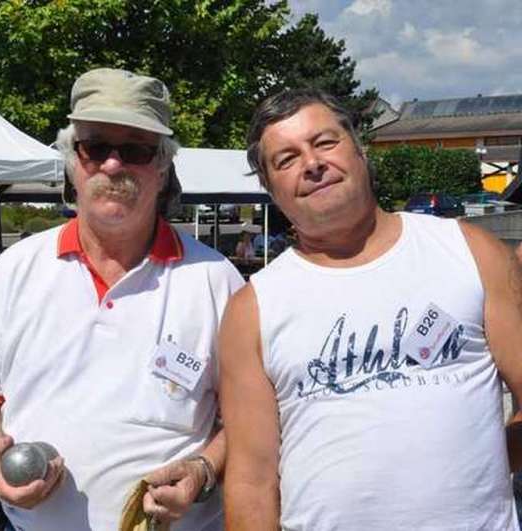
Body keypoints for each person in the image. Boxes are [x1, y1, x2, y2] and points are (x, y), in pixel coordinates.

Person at [0, 67, 244, 531]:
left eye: (136, 149)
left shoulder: (216, 280)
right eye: (96, 147)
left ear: (162, 168)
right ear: (71, 161)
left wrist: (202, 471)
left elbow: (249, 418)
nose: (114, 165)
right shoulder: (12, 274)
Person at [219, 88, 522, 530]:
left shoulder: (469, 251)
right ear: (271, 190)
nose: (312, 163)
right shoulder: (252, 311)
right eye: (286, 159)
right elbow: (251, 482)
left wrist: (486, 459)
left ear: (360, 150)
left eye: (324, 142)